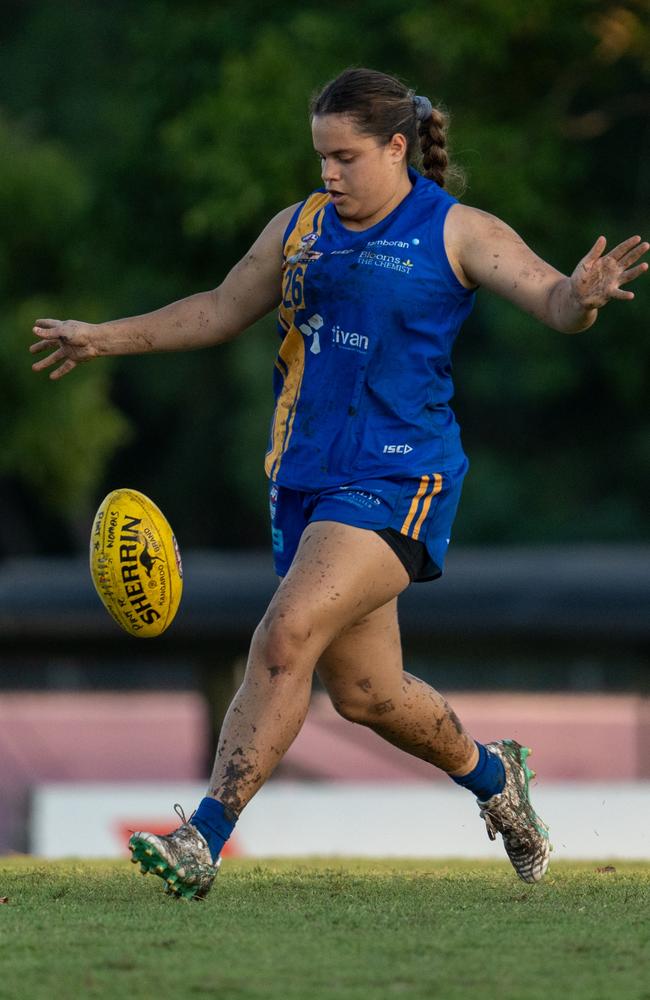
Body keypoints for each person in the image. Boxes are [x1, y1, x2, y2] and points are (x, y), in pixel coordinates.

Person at [31, 68, 648, 899]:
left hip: (401, 478)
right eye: (321, 155)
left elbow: (552, 300)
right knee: (367, 694)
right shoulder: (300, 227)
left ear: (397, 148)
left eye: (346, 157)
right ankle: (495, 778)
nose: (329, 173)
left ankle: (201, 838)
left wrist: (584, 296)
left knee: (285, 635)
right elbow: (218, 309)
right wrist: (102, 337)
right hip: (305, 480)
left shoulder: (456, 230)